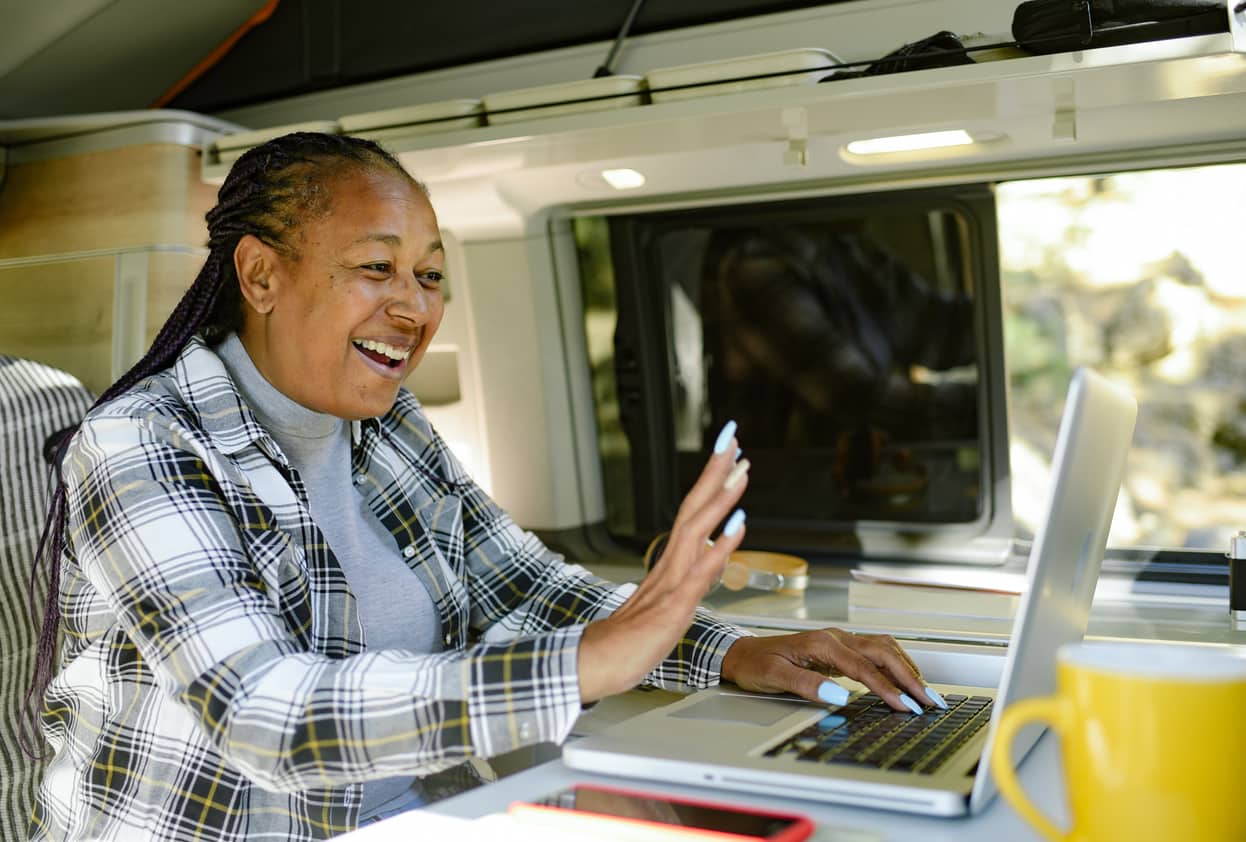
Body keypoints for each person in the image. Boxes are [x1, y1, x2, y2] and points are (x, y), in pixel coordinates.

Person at [26, 132, 942, 841]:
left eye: (429, 276)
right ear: (261, 275)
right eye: (376, 268)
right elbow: (272, 715)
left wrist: (730, 652)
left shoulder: (387, 425)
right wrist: (592, 661)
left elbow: (527, 588)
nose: (415, 307)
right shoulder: (140, 441)